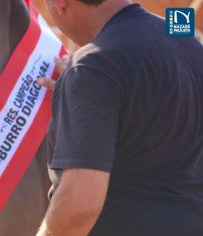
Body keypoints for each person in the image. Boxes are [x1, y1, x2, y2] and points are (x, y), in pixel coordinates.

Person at [36, 0, 203, 235]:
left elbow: (79, 207)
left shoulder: (91, 67)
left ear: (61, 4)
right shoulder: (189, 45)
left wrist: (84, 79)